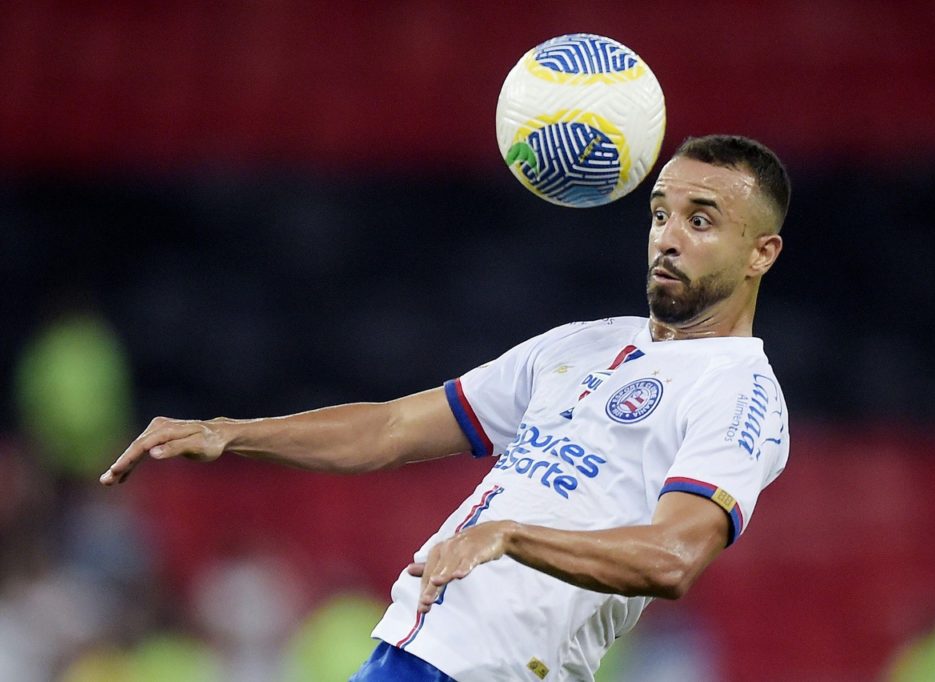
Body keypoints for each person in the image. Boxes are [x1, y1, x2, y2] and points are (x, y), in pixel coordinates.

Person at [101, 134, 792, 682]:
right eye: (660, 214)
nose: (667, 237)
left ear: (762, 252)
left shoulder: (740, 393)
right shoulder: (581, 345)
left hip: (493, 670)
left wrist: (512, 535)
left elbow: (672, 557)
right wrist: (231, 434)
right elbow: (392, 427)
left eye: (701, 221)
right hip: (413, 651)